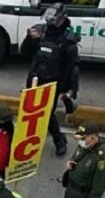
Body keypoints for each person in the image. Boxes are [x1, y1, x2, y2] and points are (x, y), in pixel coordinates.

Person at [20, 4, 79, 156]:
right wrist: (29, 38)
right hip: (34, 77)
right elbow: (24, 52)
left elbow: (72, 68)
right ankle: (29, 140)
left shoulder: (68, 40)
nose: (51, 21)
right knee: (30, 111)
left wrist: (69, 90)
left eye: (54, 17)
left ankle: (59, 139)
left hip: (53, 82)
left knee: (46, 114)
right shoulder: (40, 31)